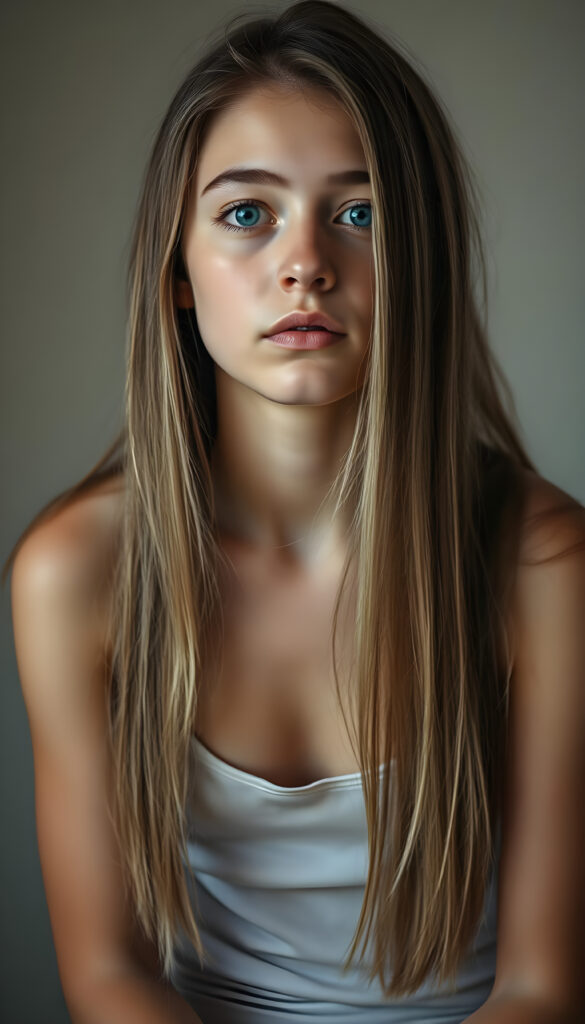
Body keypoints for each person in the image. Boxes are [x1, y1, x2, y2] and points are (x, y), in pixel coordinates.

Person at [5, 1, 585, 1021]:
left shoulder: (542, 565)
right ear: (177, 273)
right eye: (247, 214)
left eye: (360, 214)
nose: (306, 262)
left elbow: (543, 987)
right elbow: (108, 975)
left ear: (424, 258)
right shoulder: (76, 571)